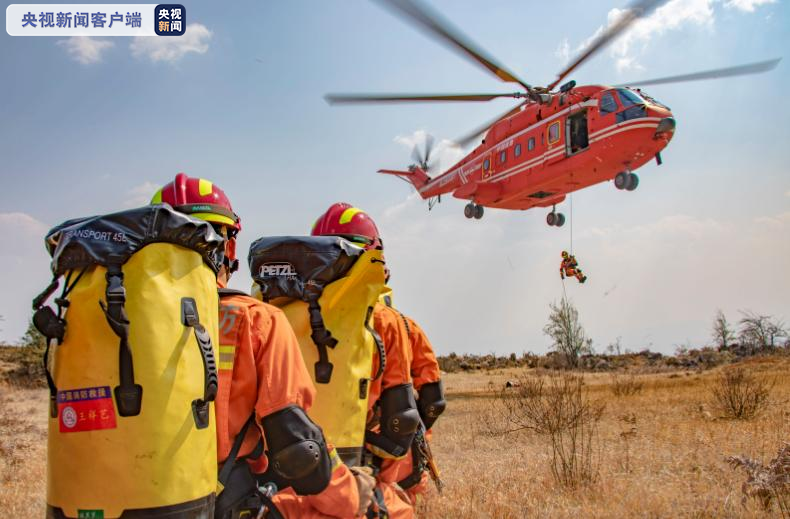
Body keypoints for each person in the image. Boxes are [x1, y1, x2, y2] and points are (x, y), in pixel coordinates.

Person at [152, 175, 375, 519]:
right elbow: (297, 448)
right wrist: (350, 496)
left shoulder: (102, 316)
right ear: (228, 248)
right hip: (217, 502)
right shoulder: (257, 319)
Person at [312, 203, 445, 516]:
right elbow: (431, 399)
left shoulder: (291, 315)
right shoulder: (395, 323)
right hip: (376, 464)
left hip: (307, 464)